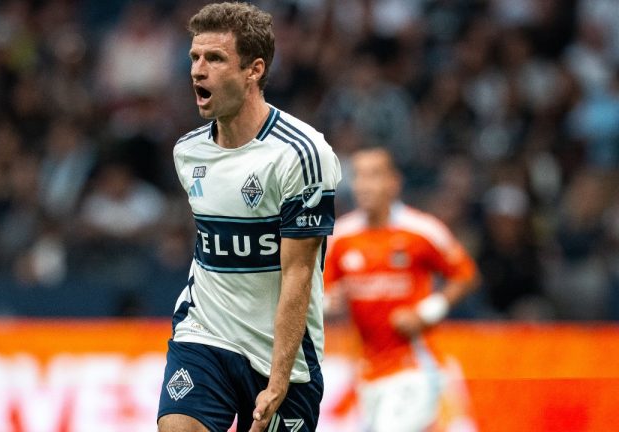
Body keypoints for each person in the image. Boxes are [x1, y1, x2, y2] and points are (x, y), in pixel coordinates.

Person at [157, 3, 341, 432]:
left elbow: (298, 277)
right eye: (194, 58)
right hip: (205, 335)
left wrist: (277, 383)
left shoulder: (301, 154)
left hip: (282, 358)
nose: (197, 71)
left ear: (254, 70)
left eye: (215, 59)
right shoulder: (188, 152)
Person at [324, 147, 478, 432]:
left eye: (374, 175)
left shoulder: (421, 230)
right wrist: (328, 303)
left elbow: (465, 275)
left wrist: (427, 313)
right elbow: (324, 296)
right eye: (358, 176)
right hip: (368, 370)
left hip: (414, 367)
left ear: (394, 182)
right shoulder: (342, 238)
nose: (364, 185)